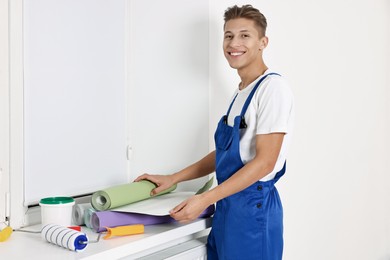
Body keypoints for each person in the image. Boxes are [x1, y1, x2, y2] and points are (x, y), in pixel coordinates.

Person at [135, 4, 294, 260]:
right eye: (229, 35)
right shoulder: (241, 91)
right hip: (228, 205)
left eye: (245, 35)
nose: (234, 43)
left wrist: (205, 199)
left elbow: (265, 162)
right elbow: (224, 153)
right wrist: (173, 178)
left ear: (263, 42)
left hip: (254, 209)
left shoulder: (273, 88)